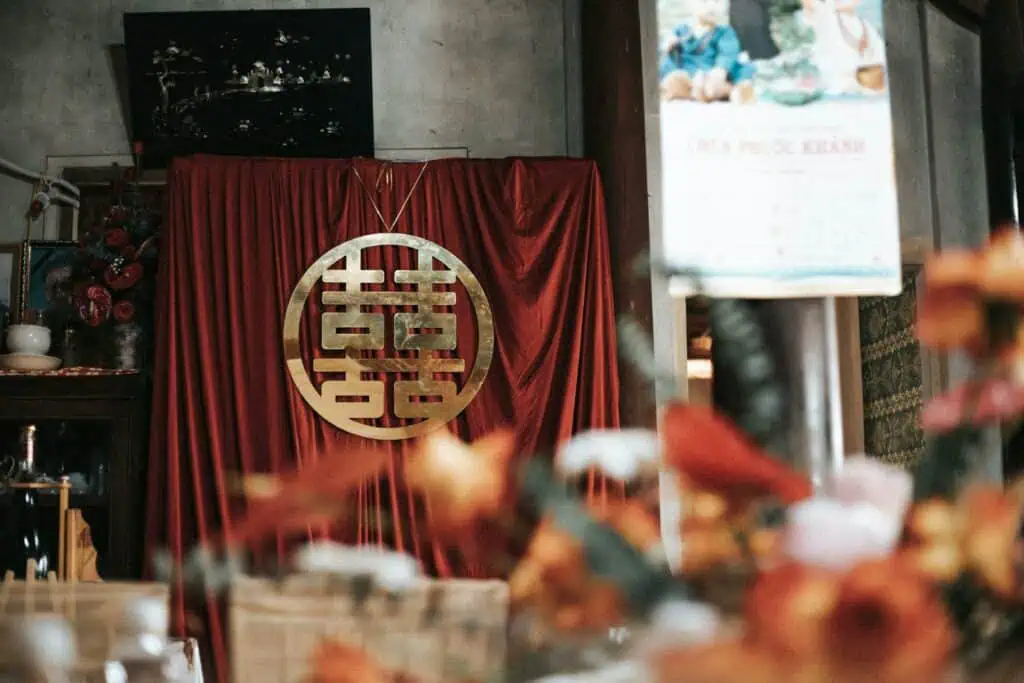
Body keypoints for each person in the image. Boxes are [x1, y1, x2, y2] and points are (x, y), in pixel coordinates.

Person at [660, 0, 756, 103]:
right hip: (688, 69)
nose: (712, 6)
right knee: (673, 75)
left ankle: (733, 91)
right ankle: (684, 88)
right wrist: (669, 44)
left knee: (717, 82)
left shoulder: (724, 32)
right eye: (704, 1)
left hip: (713, 72)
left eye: (717, 2)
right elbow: (668, 47)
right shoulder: (682, 29)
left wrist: (721, 69)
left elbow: (728, 53)